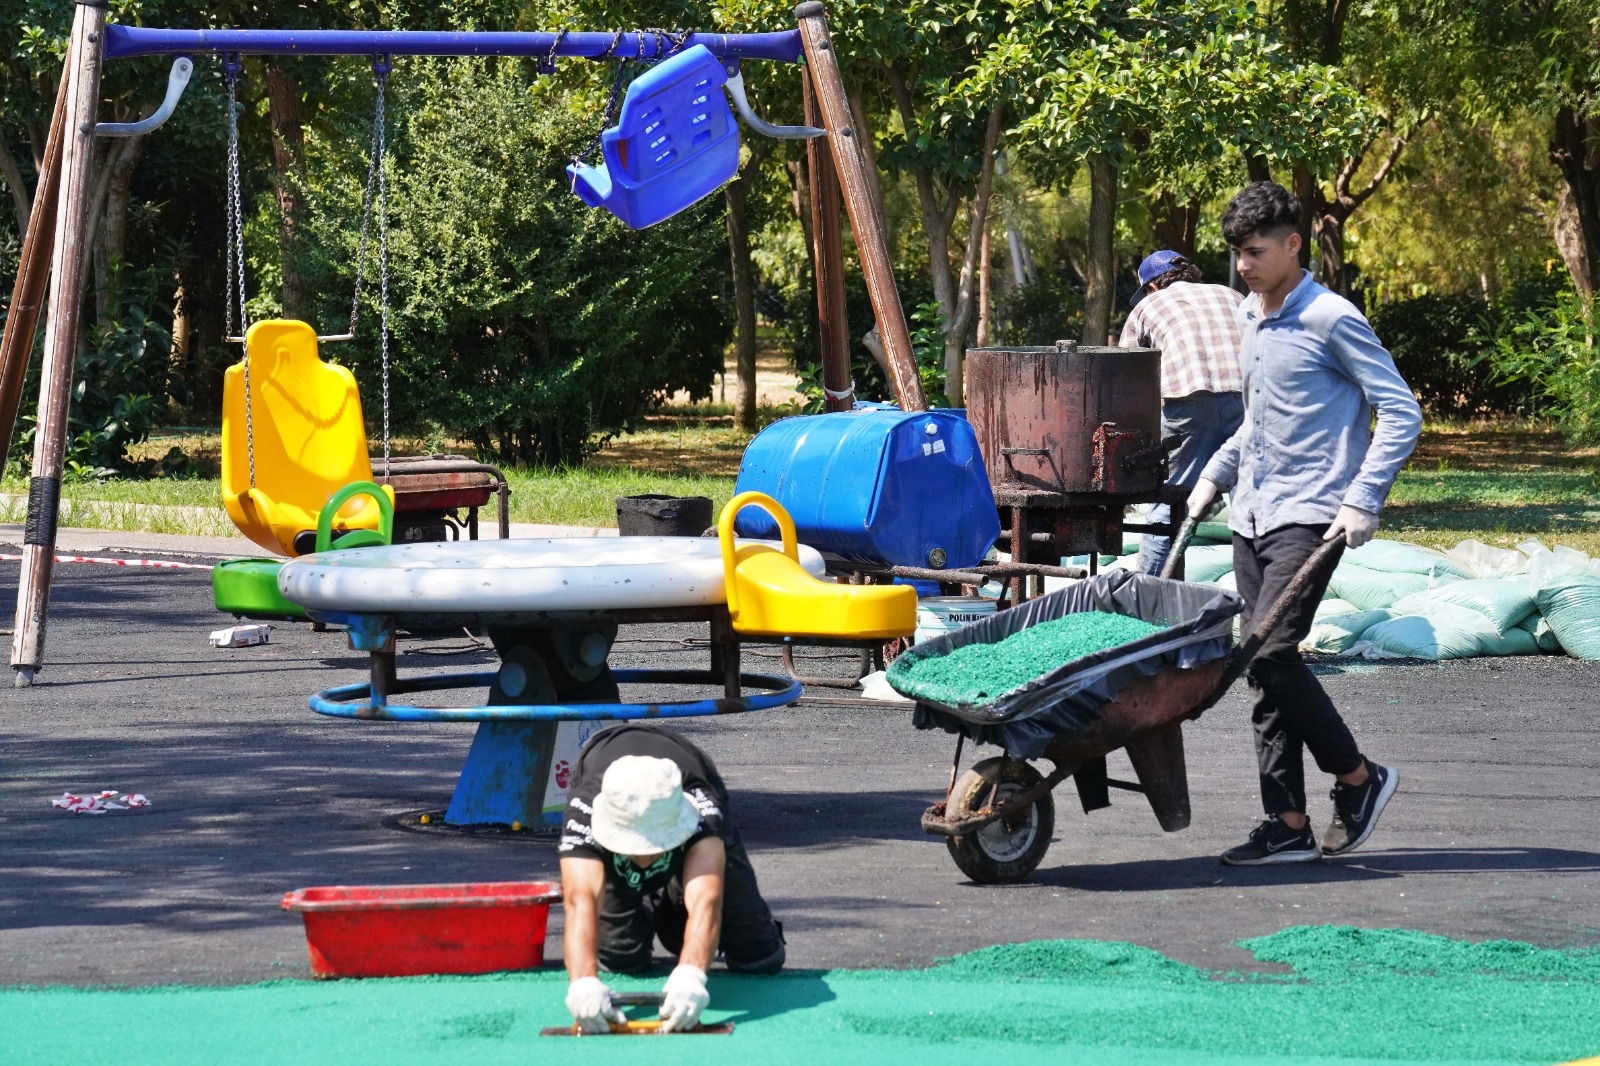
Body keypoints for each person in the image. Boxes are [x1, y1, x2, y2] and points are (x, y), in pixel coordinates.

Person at [1188, 181, 1421, 866]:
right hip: (1252, 510)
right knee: (1258, 669)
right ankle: (1286, 820)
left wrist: (1364, 498)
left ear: (1295, 244)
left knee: (1269, 652)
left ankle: (1358, 777)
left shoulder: (1332, 318)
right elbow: (1257, 423)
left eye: (1255, 252)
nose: (1242, 266)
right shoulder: (1248, 317)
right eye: (1235, 253)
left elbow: (1400, 410)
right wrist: (1215, 475)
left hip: (1314, 513)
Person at [559, 724, 784, 1033]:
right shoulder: (585, 808)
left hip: (689, 783)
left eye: (652, 848)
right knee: (621, 956)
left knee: (758, 958)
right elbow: (579, 899)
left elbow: (707, 901)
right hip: (601, 769)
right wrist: (583, 982)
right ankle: (649, 898)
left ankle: (680, 881)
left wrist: (691, 974)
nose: (643, 857)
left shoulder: (702, 806)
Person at [1118, 249, 1245, 576]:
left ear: (1152, 287)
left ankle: (1148, 599)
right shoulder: (1232, 295)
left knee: (1169, 505)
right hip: (1250, 405)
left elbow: (1126, 374)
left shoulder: (1147, 307)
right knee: (1255, 503)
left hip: (1190, 407)